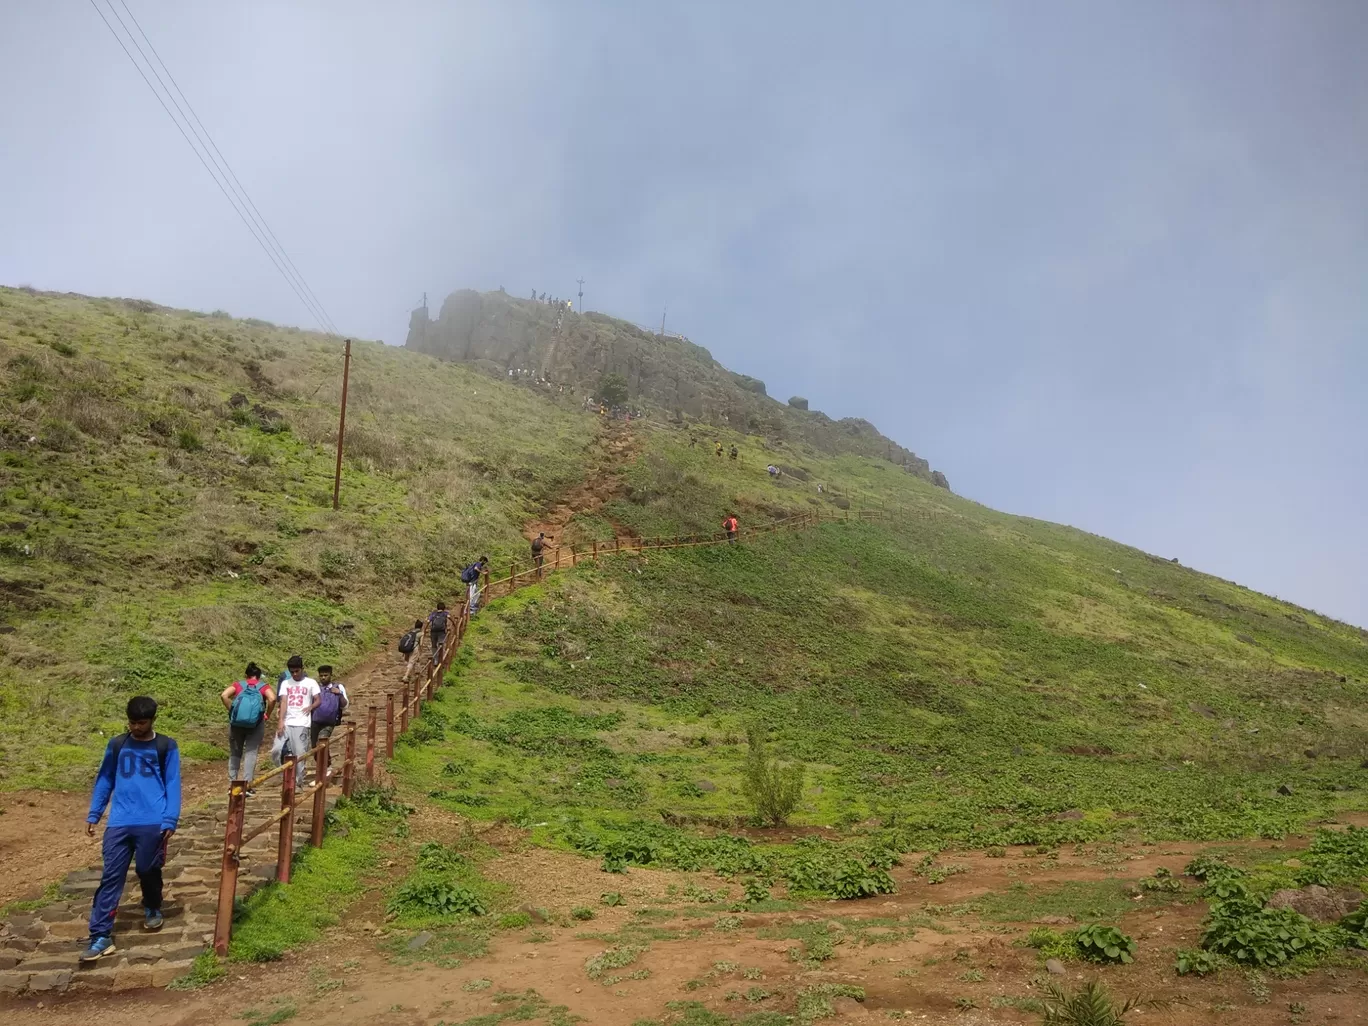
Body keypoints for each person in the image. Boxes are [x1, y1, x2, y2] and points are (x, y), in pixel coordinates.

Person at [80, 696, 181, 962]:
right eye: (132, 722)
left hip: (153, 821)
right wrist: (95, 813)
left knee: (147, 869)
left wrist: (170, 818)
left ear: (152, 720)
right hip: (119, 822)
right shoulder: (117, 745)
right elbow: (105, 780)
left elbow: (172, 783)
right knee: (111, 877)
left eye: (142, 723)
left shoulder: (166, 746)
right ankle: (100, 936)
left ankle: (152, 905)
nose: (136, 727)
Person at [221, 663, 275, 793]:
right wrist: (266, 714)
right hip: (256, 724)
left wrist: (232, 711)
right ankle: (247, 785)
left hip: (236, 724)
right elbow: (272, 699)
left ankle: (232, 784)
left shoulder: (238, 685)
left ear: (246, 675)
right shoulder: (263, 686)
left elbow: (224, 695)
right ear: (258, 676)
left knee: (235, 753)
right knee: (251, 752)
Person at [276, 656, 319, 785]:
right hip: (287, 722)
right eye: (292, 672)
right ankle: (284, 773)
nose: (294, 674)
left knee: (299, 754)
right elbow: (283, 702)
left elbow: (318, 699)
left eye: (297, 671)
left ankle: (297, 782)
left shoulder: (311, 682)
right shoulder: (285, 683)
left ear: (302, 669)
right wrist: (280, 721)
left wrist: (310, 707)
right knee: (276, 750)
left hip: (302, 723)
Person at [310, 665, 349, 752]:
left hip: (329, 722)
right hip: (314, 721)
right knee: (314, 747)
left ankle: (324, 764)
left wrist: (340, 694)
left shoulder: (338, 687)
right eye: (321, 675)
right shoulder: (315, 688)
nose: (323, 678)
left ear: (331, 675)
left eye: (325, 675)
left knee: (322, 741)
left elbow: (345, 705)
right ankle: (325, 763)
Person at [399, 618, 424, 684]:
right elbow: (421, 644)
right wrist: (420, 651)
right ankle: (405, 676)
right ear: (421, 626)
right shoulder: (421, 633)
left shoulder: (410, 632)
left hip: (407, 648)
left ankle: (412, 676)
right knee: (411, 662)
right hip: (414, 648)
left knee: (411, 662)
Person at [428, 602, 451, 668]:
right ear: (444, 608)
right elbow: (450, 618)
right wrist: (455, 625)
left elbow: (428, 621)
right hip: (442, 632)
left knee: (434, 645)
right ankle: (441, 660)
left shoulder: (433, 613)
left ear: (437, 607)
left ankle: (435, 660)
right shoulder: (445, 613)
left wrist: (424, 630)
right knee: (441, 645)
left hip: (433, 631)